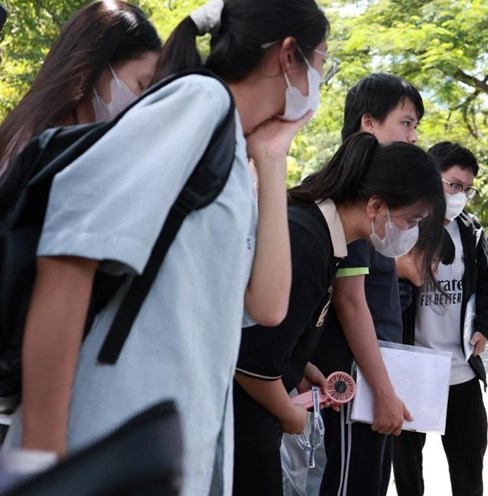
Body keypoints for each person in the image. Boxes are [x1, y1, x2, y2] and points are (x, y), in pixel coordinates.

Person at [3, 0, 330, 494]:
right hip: (100, 441)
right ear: (288, 56)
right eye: (321, 60)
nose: (320, 77)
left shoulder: (232, 150)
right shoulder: (199, 102)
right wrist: (42, 459)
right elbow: (69, 257)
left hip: (159, 451)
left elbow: (268, 305)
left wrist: (271, 155)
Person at [233, 132, 444, 495]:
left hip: (256, 418)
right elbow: (250, 361)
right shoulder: (307, 240)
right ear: (376, 206)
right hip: (243, 424)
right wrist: (289, 413)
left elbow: (276, 335)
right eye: (411, 221)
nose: (409, 235)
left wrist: (300, 366)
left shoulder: (330, 242)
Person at [305, 73, 435, 496]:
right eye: (407, 122)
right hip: (349, 379)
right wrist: (382, 390)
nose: (414, 136)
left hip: (373, 372)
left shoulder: (377, 192)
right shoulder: (356, 197)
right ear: (368, 123)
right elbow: (351, 301)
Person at [393, 142, 488, 496]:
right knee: (408, 471)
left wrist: (485, 329)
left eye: (467, 189)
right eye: (453, 185)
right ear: (431, 179)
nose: (460, 195)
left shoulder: (470, 232)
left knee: (469, 467)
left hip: (459, 371)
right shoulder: (402, 225)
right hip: (410, 369)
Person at [0, 0, 161, 175]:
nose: (145, 102)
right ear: (99, 67)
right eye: (142, 85)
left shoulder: (69, 146)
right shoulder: (37, 151)